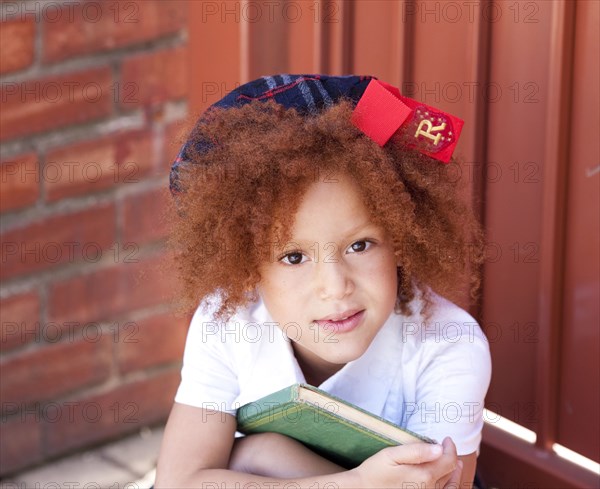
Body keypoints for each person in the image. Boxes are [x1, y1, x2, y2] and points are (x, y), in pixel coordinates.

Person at [155, 74, 492, 488]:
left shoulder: (448, 342)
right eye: (294, 256)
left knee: (254, 459)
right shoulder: (228, 323)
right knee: (259, 455)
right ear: (246, 268)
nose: (335, 287)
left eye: (360, 246)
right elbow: (179, 481)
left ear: (400, 238)